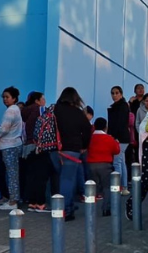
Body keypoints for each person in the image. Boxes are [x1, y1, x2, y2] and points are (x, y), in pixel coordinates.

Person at [51, 88, 93, 218]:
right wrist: (84, 146)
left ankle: (65, 204)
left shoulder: (54, 109)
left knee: (60, 177)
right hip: (72, 150)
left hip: (53, 149)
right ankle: (66, 210)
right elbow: (87, 130)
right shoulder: (78, 113)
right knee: (68, 179)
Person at [0, 88, 26, 212]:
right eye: (3, 97)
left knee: (12, 174)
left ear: (14, 98)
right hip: (16, 144)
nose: (4, 99)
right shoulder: (16, 110)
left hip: (9, 145)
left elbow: (4, 128)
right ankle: (15, 198)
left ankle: (13, 201)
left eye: (7, 97)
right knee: (14, 173)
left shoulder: (10, 111)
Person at [85, 118, 120, 214]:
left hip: (91, 165)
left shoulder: (90, 138)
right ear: (105, 127)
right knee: (107, 187)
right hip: (105, 165)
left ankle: (90, 210)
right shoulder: (109, 138)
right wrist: (116, 142)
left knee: (92, 188)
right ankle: (106, 209)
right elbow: (116, 151)